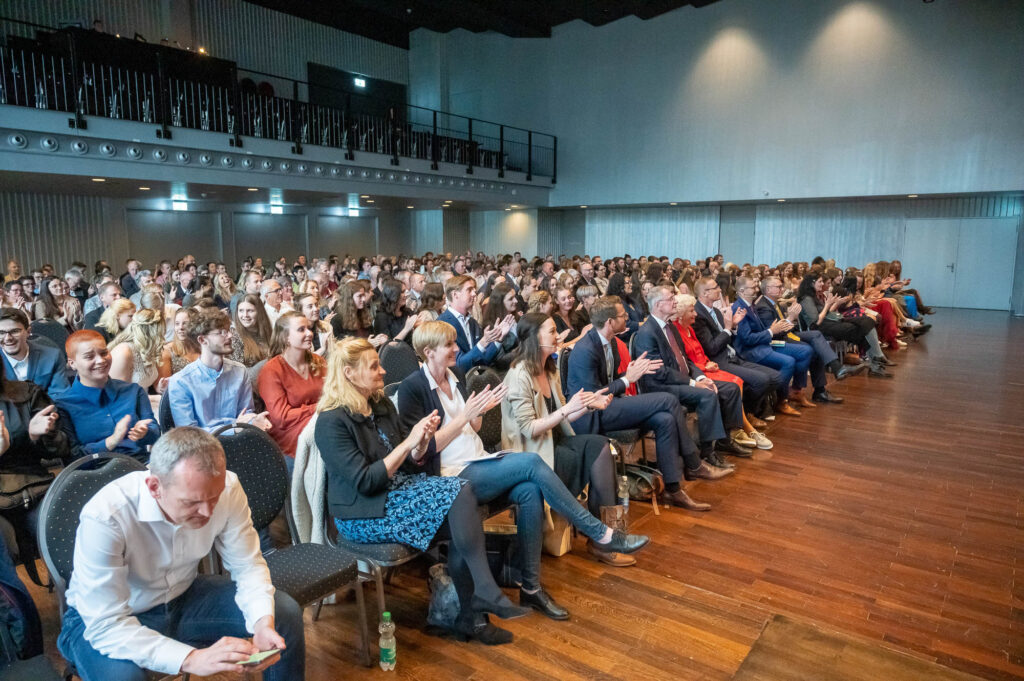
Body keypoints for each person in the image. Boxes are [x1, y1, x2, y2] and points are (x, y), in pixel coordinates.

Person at [398, 322, 648, 618]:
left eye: (455, 342)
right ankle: (601, 532)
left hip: (477, 461)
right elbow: (422, 452)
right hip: (449, 477)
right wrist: (465, 416)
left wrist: (476, 415)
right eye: (449, 345)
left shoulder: (454, 377)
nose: (457, 349)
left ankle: (530, 589)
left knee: (529, 491)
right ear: (428, 352)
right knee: (530, 463)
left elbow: (472, 429)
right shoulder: (412, 388)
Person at [315, 337, 533, 644]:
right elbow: (366, 482)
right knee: (462, 500)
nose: (383, 371)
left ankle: (474, 612)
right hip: (364, 513)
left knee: (464, 504)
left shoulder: (380, 404)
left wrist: (420, 445)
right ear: (349, 374)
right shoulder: (330, 421)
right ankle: (478, 606)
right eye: (374, 366)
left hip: (399, 492)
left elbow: (411, 463)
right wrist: (408, 442)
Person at [57, 426, 304, 680]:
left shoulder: (228, 487)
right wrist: (190, 658)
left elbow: (248, 565)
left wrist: (262, 624)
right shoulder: (107, 515)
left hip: (182, 596)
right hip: (103, 620)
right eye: (192, 502)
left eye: (214, 498)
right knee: (124, 678)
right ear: (155, 487)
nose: (208, 513)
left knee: (282, 613)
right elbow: (105, 624)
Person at [501, 313, 639, 566]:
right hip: (532, 454)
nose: (558, 336)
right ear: (533, 337)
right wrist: (567, 409)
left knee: (601, 446)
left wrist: (590, 405)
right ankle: (604, 539)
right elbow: (530, 429)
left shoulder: (548, 369)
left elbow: (565, 415)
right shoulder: (518, 375)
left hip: (554, 444)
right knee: (590, 453)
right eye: (552, 331)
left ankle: (603, 538)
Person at [567, 296, 726, 512]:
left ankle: (673, 488)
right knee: (668, 400)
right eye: (623, 316)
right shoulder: (585, 349)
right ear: (609, 322)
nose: (629, 319)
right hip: (591, 415)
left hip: (611, 404)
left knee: (665, 419)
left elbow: (610, 383)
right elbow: (593, 397)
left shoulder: (611, 341)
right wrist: (627, 379)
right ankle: (694, 463)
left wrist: (630, 372)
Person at [634, 285, 752, 467]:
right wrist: (692, 383)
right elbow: (659, 373)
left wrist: (700, 378)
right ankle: (707, 451)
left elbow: (685, 360)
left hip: (680, 379)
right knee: (707, 394)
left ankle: (725, 440)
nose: (675, 301)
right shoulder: (647, 333)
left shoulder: (670, 327)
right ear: (658, 305)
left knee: (731, 388)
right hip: (661, 385)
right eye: (670, 299)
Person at [671, 294, 772, 450]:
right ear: (681, 314)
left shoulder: (689, 327)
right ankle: (740, 429)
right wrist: (705, 367)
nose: (696, 314)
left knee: (738, 381)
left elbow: (700, 351)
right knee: (733, 384)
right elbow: (687, 361)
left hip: (706, 365)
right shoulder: (676, 332)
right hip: (698, 372)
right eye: (691, 311)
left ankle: (738, 428)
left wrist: (708, 362)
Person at [55, 330, 159, 461]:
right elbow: (73, 458)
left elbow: (155, 432)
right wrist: (112, 441)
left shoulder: (133, 391)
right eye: (89, 356)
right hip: (96, 474)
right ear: (72, 364)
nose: (100, 360)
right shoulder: (64, 405)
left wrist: (144, 432)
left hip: (141, 466)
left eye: (104, 353)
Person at [755, 276, 861, 401]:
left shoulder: (773, 302)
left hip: (787, 334)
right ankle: (804, 390)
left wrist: (790, 318)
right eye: (779, 287)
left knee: (816, 335)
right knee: (813, 349)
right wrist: (790, 318)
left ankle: (836, 370)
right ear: (768, 289)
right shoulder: (763, 307)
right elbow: (774, 333)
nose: (782, 289)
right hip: (776, 341)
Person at [166, 308, 270, 432]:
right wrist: (234, 428)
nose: (230, 336)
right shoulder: (181, 381)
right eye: (221, 332)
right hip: (202, 448)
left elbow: (246, 414)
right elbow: (189, 433)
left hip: (239, 443)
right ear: (202, 340)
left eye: (228, 331)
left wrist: (255, 420)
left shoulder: (240, 372)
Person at [731, 276, 812, 415]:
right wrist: (771, 331)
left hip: (762, 344)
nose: (757, 289)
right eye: (753, 287)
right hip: (750, 351)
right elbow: (747, 339)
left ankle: (787, 394)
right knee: (788, 362)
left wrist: (772, 330)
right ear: (742, 291)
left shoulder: (750, 305)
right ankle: (781, 400)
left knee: (804, 352)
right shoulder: (740, 308)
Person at [257, 312, 325, 473]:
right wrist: (321, 407)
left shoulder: (318, 361)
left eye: (309, 328)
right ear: (286, 337)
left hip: (321, 425)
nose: (309, 333)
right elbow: (282, 418)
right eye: (301, 330)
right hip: (289, 439)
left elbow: (335, 397)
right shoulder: (272, 370)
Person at [797, 272, 893, 378]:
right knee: (864, 325)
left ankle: (876, 361)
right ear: (811, 283)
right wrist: (828, 305)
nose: (822, 283)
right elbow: (816, 322)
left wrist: (833, 304)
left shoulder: (813, 296)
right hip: (822, 328)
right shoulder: (806, 299)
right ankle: (877, 361)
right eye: (819, 281)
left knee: (867, 322)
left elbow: (826, 314)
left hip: (829, 323)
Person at [438, 275, 514, 372]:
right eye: (469, 290)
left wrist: (497, 340)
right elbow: (458, 366)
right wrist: (482, 343)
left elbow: (482, 360)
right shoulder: (442, 324)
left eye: (474, 289)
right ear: (455, 295)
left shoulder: (472, 322)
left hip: (477, 379)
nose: (475, 293)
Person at [0, 307, 69, 394]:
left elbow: (60, 395)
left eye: (15, 331)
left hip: (47, 406)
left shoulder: (52, 356)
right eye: (1, 333)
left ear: (28, 332)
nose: (8, 338)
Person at [108, 309, 166, 396]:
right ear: (152, 332)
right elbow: (117, 396)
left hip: (144, 403)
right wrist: (152, 399)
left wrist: (159, 387)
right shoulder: (124, 352)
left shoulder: (148, 348)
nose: (163, 336)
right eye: (160, 331)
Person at [331, 281, 386, 348]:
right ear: (350, 299)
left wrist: (377, 339)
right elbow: (341, 346)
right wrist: (366, 343)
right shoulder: (337, 320)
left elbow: (371, 337)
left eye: (363, 295)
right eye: (359, 296)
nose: (363, 299)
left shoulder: (363, 315)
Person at [230, 294, 272, 368]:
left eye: (250, 311)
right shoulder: (234, 337)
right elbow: (239, 372)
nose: (245, 315)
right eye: (241, 311)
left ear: (259, 312)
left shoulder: (268, 332)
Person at [372, 279, 417, 344]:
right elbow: (388, 346)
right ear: (393, 294)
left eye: (405, 292)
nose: (405, 295)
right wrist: (406, 329)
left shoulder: (407, 311)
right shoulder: (381, 317)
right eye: (402, 292)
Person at [161, 307, 200, 375]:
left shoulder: (204, 348)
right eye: (177, 323)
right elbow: (163, 385)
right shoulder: (167, 351)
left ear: (195, 326)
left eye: (185, 323)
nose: (180, 327)